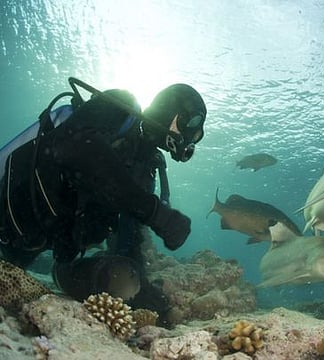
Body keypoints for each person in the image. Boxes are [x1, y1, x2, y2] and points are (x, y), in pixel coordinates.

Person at [0, 78, 207, 325]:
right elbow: (74, 145)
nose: (189, 138)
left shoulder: (145, 168)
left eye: (196, 134)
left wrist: (141, 293)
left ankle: (59, 274)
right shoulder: (120, 107)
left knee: (123, 278)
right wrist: (154, 212)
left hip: (39, 245)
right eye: (189, 123)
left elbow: (128, 239)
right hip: (10, 210)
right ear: (169, 110)